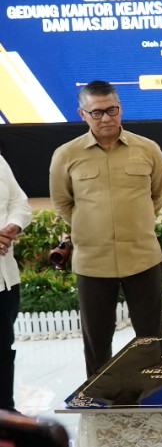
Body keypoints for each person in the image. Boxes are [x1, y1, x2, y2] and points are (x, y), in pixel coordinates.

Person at [49, 80, 162, 377]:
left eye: (111, 110)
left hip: (142, 257)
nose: (106, 118)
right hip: (93, 262)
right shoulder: (66, 154)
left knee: (151, 337)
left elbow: (156, 196)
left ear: (120, 109)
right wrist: (92, 226)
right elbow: (63, 202)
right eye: (97, 112)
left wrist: (134, 223)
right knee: (97, 340)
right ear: (82, 114)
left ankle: (156, 392)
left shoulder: (148, 149)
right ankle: (101, 397)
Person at [0, 156, 32, 412]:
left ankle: (6, 414)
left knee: (3, 349)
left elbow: (19, 203)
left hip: (5, 279)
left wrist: (13, 226)